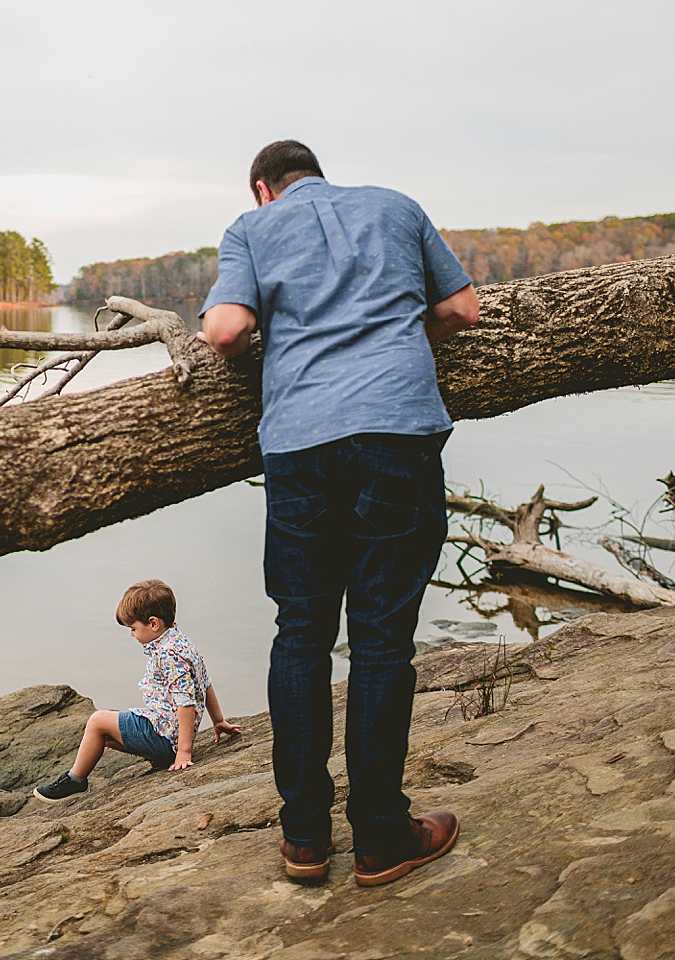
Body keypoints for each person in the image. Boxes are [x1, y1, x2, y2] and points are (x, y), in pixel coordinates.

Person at [198, 140, 479, 885]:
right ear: (317, 172)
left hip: (300, 447)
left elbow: (225, 330)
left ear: (264, 189)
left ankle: (303, 841)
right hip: (398, 432)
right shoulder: (396, 205)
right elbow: (460, 308)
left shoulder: (251, 229)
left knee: (300, 636)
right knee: (382, 641)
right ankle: (383, 838)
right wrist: (389, 347)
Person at [33, 579, 242, 802]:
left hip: (167, 738)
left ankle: (75, 781)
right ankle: (157, 757)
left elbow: (186, 702)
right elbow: (204, 684)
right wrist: (218, 721)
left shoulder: (168, 655)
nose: (131, 634)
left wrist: (184, 751)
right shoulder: (182, 643)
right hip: (167, 735)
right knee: (104, 738)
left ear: (153, 624)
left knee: (97, 721)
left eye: (133, 628)